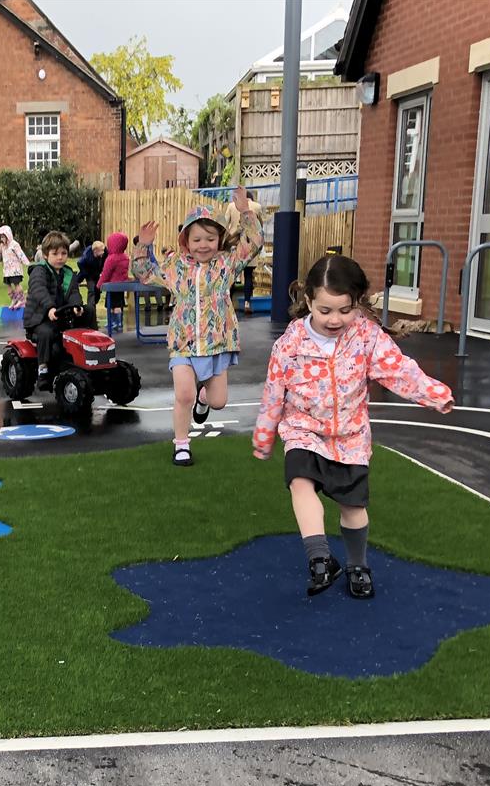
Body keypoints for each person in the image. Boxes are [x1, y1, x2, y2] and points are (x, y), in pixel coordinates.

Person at [253, 255, 455, 599]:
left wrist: (434, 393)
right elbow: (274, 390)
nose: (335, 319)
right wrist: (265, 433)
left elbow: (398, 370)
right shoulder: (290, 344)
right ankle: (319, 559)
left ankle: (357, 564)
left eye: (344, 310)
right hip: (305, 428)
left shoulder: (366, 337)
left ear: (356, 303)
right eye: (325, 310)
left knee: (354, 510)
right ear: (308, 302)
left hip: (350, 436)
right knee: (300, 483)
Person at [133, 187, 263, 466]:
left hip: (217, 344)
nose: (203, 245)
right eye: (197, 239)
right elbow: (144, 273)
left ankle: (204, 397)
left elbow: (253, 244)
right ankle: (182, 444)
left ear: (219, 240)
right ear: (186, 241)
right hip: (183, 344)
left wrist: (245, 213)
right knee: (183, 394)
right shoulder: (174, 266)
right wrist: (143, 245)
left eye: (210, 239)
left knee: (218, 402)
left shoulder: (227, 264)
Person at [23, 230, 85, 389]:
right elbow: (39, 290)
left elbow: (73, 293)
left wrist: (77, 306)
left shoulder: (68, 274)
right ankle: (43, 370)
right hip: (39, 319)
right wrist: (49, 308)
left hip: (61, 317)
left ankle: (88, 357)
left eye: (64, 253)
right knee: (47, 333)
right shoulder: (39, 271)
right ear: (45, 255)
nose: (60, 257)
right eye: (55, 253)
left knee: (88, 313)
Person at [98, 232, 131, 334]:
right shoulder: (125, 257)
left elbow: (106, 273)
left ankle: (113, 322)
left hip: (111, 285)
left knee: (112, 305)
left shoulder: (111, 258)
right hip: (121, 285)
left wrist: (99, 284)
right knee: (119, 304)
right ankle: (119, 322)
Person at [0, 225, 30, 310]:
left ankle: (21, 299)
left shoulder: (14, 245)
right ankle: (13, 299)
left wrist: (26, 262)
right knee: (8, 287)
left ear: (8, 236)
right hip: (7, 271)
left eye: (3, 237)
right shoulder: (2, 246)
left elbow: (20, 254)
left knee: (16, 285)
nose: (2, 239)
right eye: (1, 237)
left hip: (15, 270)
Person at [78, 240, 106, 321]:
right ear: (95, 251)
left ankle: (93, 304)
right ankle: (91, 313)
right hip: (89, 273)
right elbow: (80, 264)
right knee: (92, 291)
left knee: (97, 292)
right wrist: (85, 274)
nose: (103, 252)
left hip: (98, 273)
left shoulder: (105, 252)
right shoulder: (86, 257)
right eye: (102, 251)